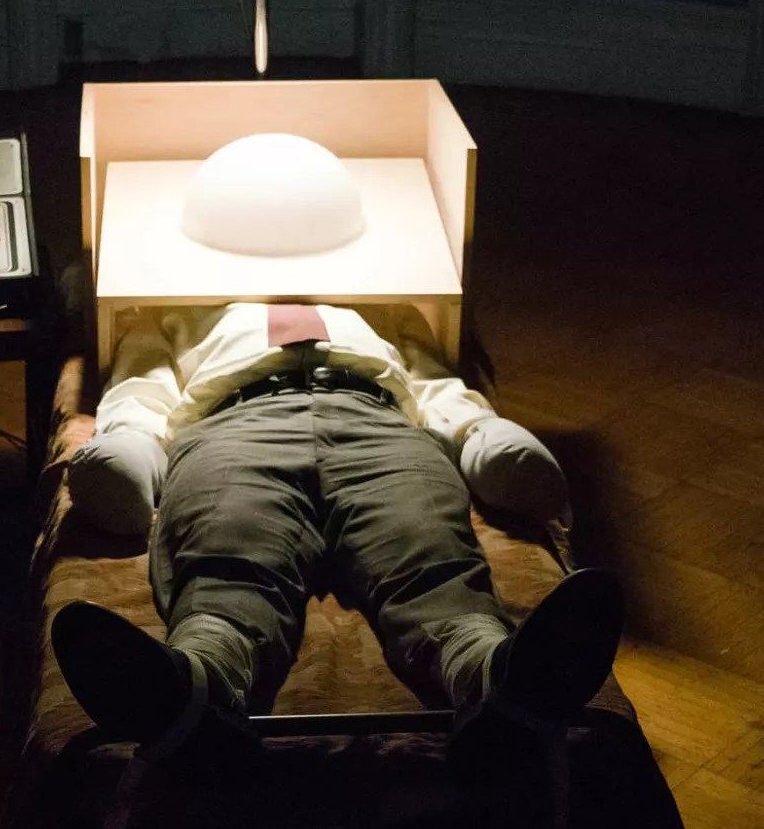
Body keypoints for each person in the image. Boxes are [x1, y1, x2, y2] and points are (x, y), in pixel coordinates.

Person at [49, 298, 623, 769]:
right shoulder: (171, 303)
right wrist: (131, 442)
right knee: (228, 553)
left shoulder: (388, 298)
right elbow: (141, 385)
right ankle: (197, 689)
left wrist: (478, 432)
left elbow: (433, 379)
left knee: (428, 549)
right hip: (234, 424)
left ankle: (495, 681)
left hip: (377, 417)